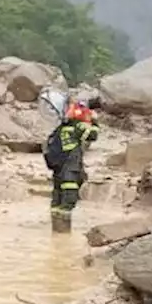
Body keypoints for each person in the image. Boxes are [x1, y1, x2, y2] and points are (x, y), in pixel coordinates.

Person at [46, 99, 100, 233]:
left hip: (59, 169)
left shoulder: (60, 129)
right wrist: (95, 122)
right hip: (70, 168)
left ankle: (57, 233)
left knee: (57, 198)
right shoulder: (78, 126)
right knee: (69, 198)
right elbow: (92, 136)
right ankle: (63, 234)